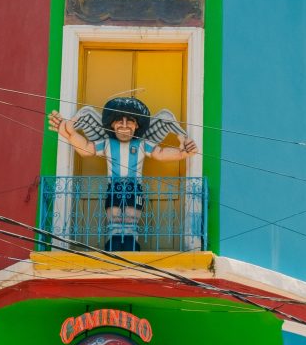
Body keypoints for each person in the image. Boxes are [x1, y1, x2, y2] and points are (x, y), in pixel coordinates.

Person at [48, 94, 197, 251]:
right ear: (112, 124)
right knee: (115, 222)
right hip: (114, 188)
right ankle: (114, 245)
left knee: (131, 222)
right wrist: (68, 132)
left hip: (134, 190)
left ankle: (131, 245)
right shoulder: (107, 144)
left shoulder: (141, 144)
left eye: (130, 121)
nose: (124, 125)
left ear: (137, 125)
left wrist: (182, 152)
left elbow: (160, 153)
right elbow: (86, 148)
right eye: (119, 120)